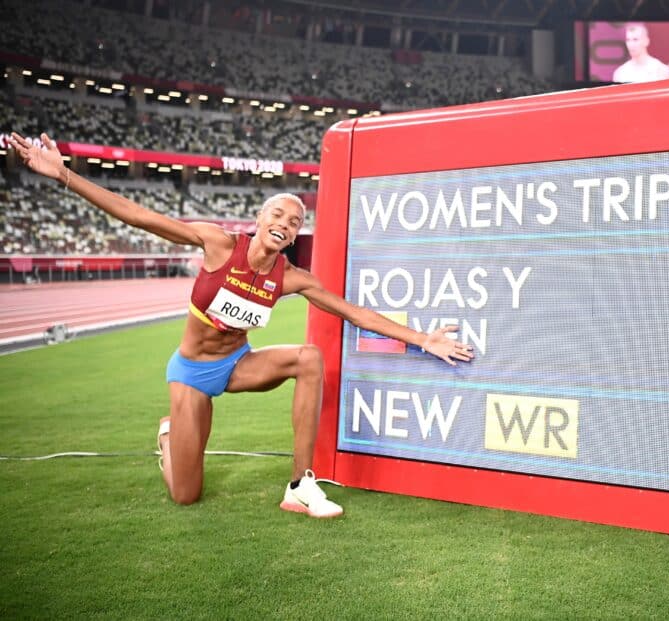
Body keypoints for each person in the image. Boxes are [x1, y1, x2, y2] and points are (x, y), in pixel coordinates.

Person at [10, 132, 475, 518]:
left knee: (309, 358)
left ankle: (299, 485)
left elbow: (355, 313)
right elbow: (139, 215)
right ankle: (170, 434)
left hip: (237, 365)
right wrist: (64, 174)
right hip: (192, 372)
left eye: (295, 223)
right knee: (185, 495)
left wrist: (421, 339)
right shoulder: (217, 245)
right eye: (278, 215)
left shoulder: (291, 277)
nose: (286, 225)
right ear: (259, 219)